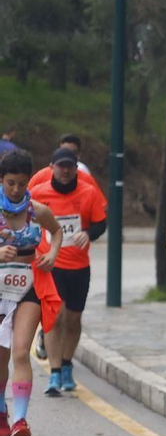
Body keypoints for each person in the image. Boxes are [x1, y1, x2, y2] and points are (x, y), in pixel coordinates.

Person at [30, 147, 106, 396]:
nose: (65, 171)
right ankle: (53, 373)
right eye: (60, 166)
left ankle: (66, 365)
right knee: (56, 316)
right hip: (50, 265)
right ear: (51, 167)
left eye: (69, 167)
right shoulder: (39, 194)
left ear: (76, 168)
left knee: (73, 319)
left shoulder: (88, 192)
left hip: (79, 266)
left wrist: (88, 233)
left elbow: (100, 223)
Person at [0, 150, 63, 436]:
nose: (15, 189)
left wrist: (51, 253)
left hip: (28, 287)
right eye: (10, 182)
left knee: (21, 352)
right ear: (1, 180)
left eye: (22, 183)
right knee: (0, 356)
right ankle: (1, 412)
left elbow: (57, 231)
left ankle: (21, 421)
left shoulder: (37, 211)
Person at [28, 134, 94, 189]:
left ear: (79, 155)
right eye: (64, 151)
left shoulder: (85, 176)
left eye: (73, 152)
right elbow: (26, 198)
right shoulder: (41, 177)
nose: (68, 155)